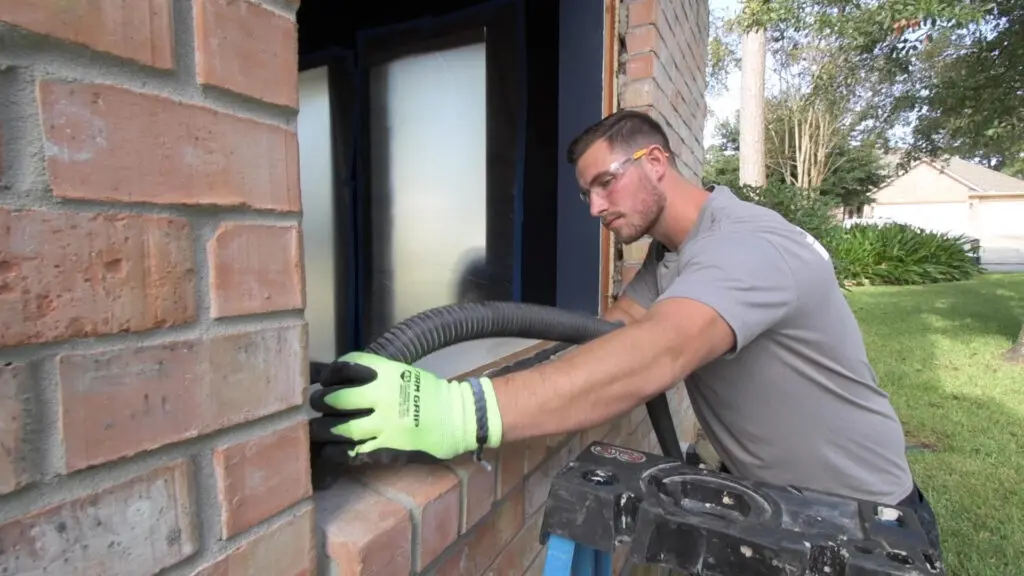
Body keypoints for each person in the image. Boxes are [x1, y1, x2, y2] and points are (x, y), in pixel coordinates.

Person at [308, 110, 942, 556]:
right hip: (779, 503)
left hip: (860, 521)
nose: (595, 207)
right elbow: (612, 331)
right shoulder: (671, 259)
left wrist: (458, 408)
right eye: (586, 192)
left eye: (605, 182)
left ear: (656, 161)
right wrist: (493, 372)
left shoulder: (746, 245)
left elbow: (656, 353)